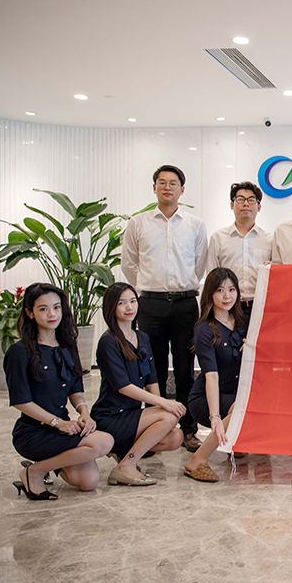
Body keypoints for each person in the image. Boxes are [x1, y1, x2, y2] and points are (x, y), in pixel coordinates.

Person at [122, 164, 208, 452]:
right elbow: (129, 264)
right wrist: (147, 288)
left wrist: (184, 287)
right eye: (162, 182)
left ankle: (188, 430)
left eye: (173, 183)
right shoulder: (138, 223)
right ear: (154, 188)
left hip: (185, 304)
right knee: (152, 370)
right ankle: (154, 429)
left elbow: (200, 263)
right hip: (151, 304)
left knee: (185, 369)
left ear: (182, 190)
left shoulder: (195, 224)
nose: (167, 187)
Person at [5, 283, 114, 500]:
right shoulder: (19, 351)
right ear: (29, 313)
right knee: (104, 442)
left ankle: (43, 465)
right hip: (34, 432)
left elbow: (75, 389)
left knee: (88, 481)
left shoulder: (67, 346)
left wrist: (84, 413)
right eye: (43, 309)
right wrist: (58, 423)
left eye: (56, 307)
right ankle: (34, 472)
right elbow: (20, 401)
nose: (52, 314)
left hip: (62, 428)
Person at [91, 283, 186, 486]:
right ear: (111, 307)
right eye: (122, 303)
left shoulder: (142, 337)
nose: (129, 307)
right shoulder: (108, 341)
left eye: (133, 301)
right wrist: (164, 405)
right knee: (169, 416)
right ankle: (126, 466)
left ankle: (122, 453)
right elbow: (123, 386)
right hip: (111, 416)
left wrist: (159, 408)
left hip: (133, 414)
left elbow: (152, 380)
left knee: (175, 437)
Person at [184, 268, 247, 483]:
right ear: (210, 294)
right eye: (220, 290)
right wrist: (215, 417)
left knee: (248, 404)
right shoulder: (204, 329)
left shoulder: (242, 322)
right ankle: (197, 460)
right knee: (240, 408)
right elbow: (211, 376)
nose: (227, 296)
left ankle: (235, 442)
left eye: (231, 289)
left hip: (234, 393)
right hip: (207, 397)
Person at [207, 182, 273, 317]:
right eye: (240, 199)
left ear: (259, 207)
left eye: (251, 200)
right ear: (232, 205)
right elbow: (211, 276)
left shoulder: (269, 240)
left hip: (260, 308)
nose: (246, 204)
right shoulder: (218, 238)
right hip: (228, 308)